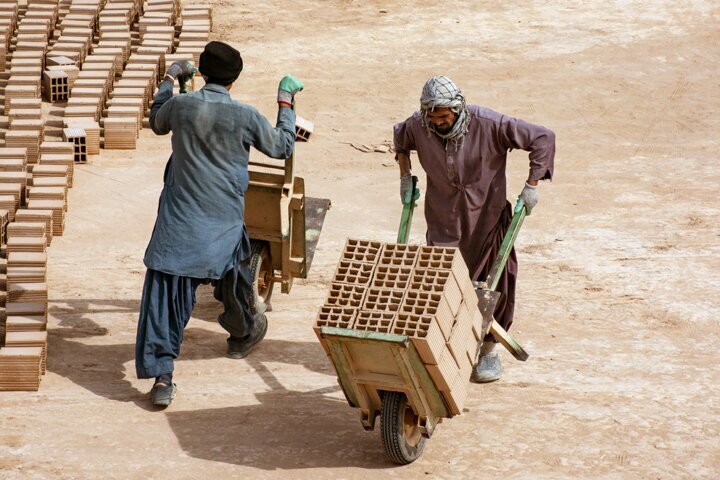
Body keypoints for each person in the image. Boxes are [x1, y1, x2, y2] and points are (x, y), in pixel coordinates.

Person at [135, 41, 304, 406]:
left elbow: (157, 120)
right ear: (235, 79)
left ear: (201, 71)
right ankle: (242, 333)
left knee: (165, 296)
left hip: (178, 226)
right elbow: (281, 147)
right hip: (224, 225)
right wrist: (285, 102)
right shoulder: (244, 115)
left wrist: (169, 79)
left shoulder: (181, 106)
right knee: (236, 277)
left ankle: (163, 378)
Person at [393, 75, 555, 383]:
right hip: (443, 220)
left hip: (487, 219)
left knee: (495, 285)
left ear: (458, 108)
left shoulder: (489, 123)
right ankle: (444, 347)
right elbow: (401, 138)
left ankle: (488, 350)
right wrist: (405, 176)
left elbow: (542, 138)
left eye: (443, 116)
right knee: (441, 285)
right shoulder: (419, 125)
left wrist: (532, 185)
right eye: (432, 115)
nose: (437, 122)